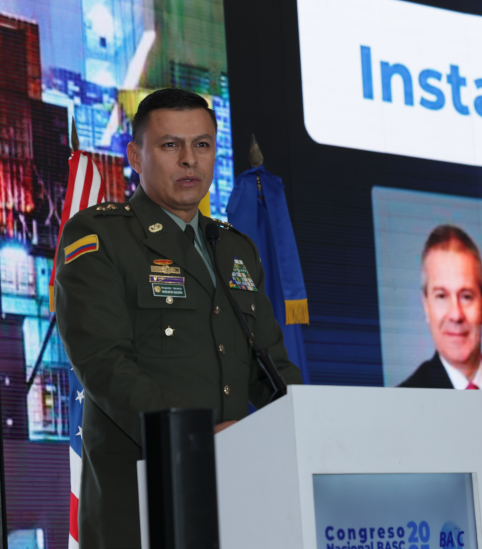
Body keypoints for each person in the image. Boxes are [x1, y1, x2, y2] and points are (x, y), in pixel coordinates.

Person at [54, 88, 302, 549]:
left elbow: (270, 367)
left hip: (234, 501)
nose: (189, 159)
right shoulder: (99, 235)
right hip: (141, 504)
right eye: (171, 145)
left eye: (202, 145)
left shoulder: (234, 248)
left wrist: (312, 429)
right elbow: (104, 363)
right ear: (135, 154)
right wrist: (193, 439)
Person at [395, 225, 482, 531]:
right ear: (426, 306)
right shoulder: (402, 407)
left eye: (466, 295)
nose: (456, 314)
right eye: (441, 296)